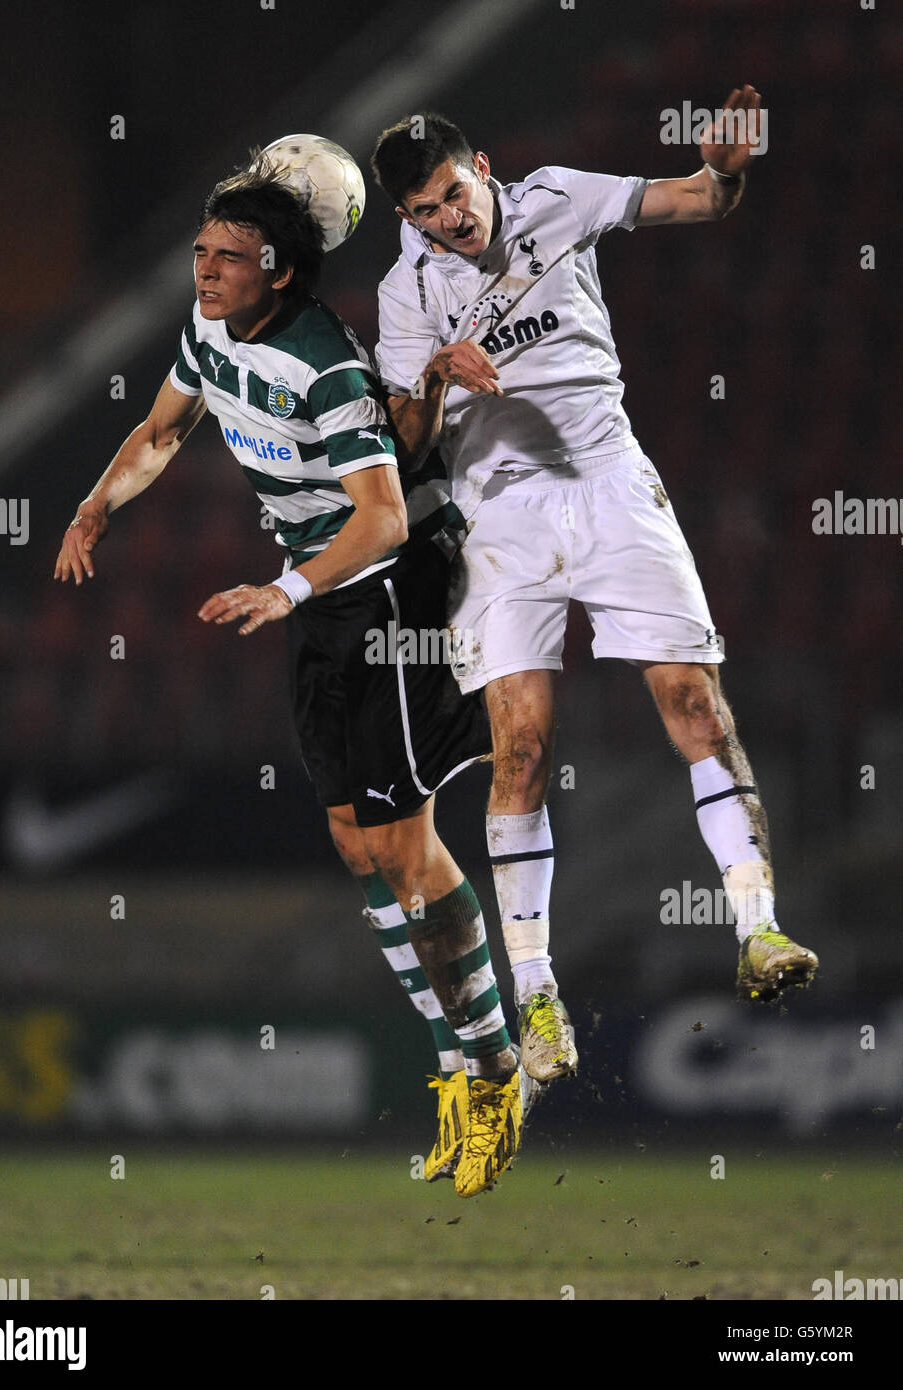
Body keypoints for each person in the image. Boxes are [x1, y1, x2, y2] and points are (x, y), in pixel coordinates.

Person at [53, 158, 537, 1197]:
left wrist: (283, 588)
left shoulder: (323, 361)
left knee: (403, 846)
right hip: (320, 591)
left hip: (393, 583)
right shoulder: (208, 331)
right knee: (350, 836)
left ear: (278, 268)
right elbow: (160, 431)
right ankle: (458, 1064)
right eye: (200, 252)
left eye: (228, 257)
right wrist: (99, 503)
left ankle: (494, 1065)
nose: (206, 271)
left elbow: (385, 513)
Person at [370, 90, 818, 1082]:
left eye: (451, 193)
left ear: (480, 167)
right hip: (500, 517)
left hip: (609, 482)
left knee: (691, 698)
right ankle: (534, 996)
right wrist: (436, 374)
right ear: (405, 220)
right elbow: (404, 450)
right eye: (424, 211)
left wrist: (726, 169)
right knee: (519, 749)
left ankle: (757, 929)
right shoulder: (405, 298)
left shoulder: (556, 201)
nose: (449, 219)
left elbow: (697, 203)